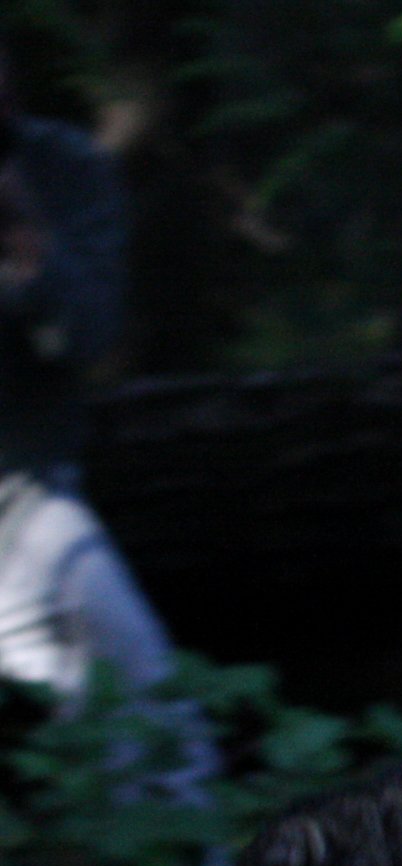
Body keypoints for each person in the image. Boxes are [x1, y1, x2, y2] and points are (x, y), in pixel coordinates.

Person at [0, 43, 210, 789]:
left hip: (24, 503)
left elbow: (85, 338)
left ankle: (184, 849)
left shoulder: (63, 170)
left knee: (149, 713)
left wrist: (26, 241)